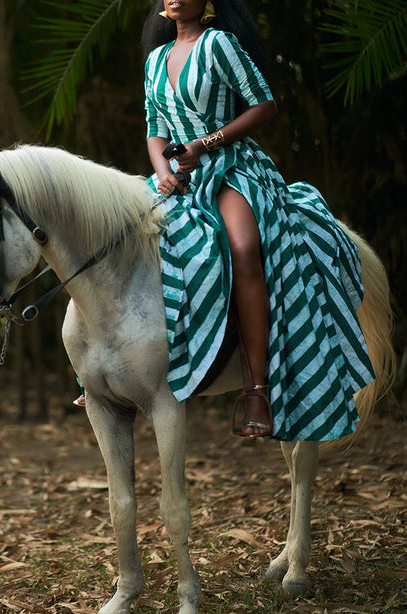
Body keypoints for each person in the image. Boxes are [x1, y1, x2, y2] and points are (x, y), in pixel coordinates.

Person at [142, 0, 375, 441]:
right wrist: (162, 170)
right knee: (127, 240)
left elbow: (264, 105)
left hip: (232, 168)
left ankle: (257, 390)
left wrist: (206, 144)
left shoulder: (220, 45)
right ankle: (106, 369)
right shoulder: (155, 60)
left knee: (245, 248)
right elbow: (156, 125)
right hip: (177, 178)